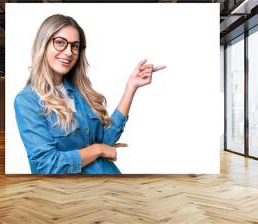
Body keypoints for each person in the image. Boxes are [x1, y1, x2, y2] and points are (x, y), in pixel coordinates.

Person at [14, 14, 165, 174]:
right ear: (43, 45)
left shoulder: (79, 92)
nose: (69, 52)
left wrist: (131, 87)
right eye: (60, 43)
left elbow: (106, 140)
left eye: (75, 46)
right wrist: (97, 150)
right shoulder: (27, 101)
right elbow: (48, 165)